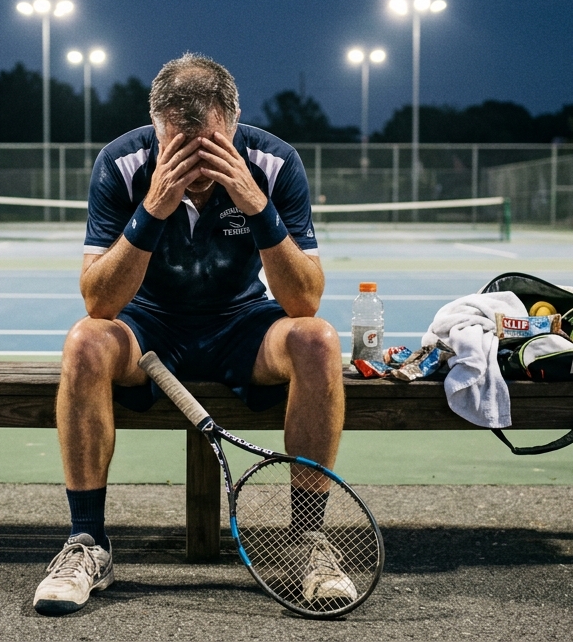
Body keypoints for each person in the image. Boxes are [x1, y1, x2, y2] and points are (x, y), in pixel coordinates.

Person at [32, 53, 349, 615]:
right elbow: (100, 301)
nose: (196, 162)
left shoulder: (275, 162)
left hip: (241, 324)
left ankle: (305, 541)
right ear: (156, 126)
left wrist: (256, 204)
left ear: (233, 121)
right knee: (84, 339)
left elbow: (304, 300)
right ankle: (87, 541)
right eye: (179, 145)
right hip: (150, 326)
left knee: (318, 339)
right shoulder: (122, 163)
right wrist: (153, 207)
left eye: (209, 144)